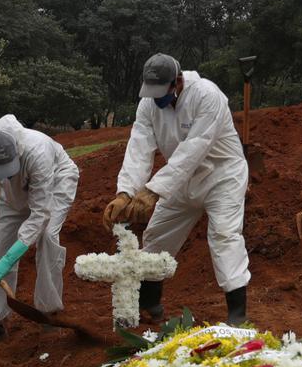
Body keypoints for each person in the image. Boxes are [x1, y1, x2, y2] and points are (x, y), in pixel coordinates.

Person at [103, 53, 251, 325]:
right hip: (180, 179)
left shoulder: (207, 95)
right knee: (158, 235)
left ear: (178, 81)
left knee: (224, 235)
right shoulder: (148, 104)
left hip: (222, 175)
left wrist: (153, 191)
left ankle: (237, 315)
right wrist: (125, 192)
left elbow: (195, 147)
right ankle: (150, 303)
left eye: (162, 92)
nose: (157, 99)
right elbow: (139, 147)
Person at [0, 114, 79, 348]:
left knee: (48, 238)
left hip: (56, 182)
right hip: (13, 192)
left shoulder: (38, 154)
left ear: (17, 152)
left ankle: (50, 313)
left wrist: (10, 260)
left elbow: (39, 214)